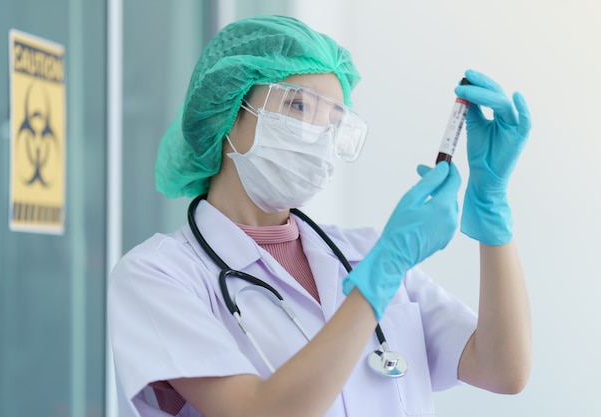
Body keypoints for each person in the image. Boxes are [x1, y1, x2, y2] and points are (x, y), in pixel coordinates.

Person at [108, 14, 532, 417]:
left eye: (334, 119)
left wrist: (491, 207)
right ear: (227, 116)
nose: (319, 135)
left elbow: (502, 369)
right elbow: (261, 411)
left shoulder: (362, 251)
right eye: (297, 106)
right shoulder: (159, 276)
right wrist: (381, 276)